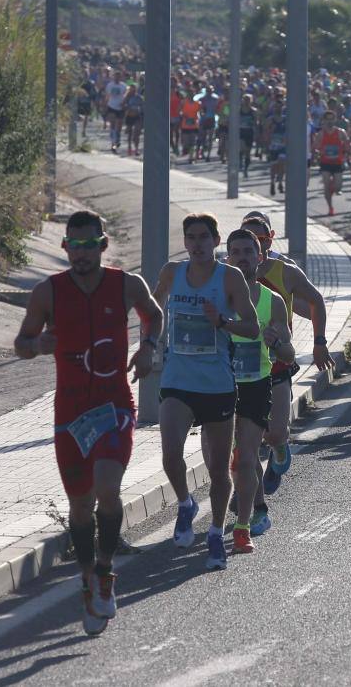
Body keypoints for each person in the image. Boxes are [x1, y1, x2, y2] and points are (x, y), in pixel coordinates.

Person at [14, 210, 163, 635]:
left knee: (107, 488)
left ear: (102, 245)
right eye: (73, 246)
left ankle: (105, 569)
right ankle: (87, 580)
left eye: (88, 245)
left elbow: (153, 315)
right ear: (65, 247)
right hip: (70, 412)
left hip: (114, 406)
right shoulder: (48, 292)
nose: (80, 253)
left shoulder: (126, 284)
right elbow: (20, 343)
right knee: (80, 506)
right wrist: (37, 345)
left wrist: (148, 347)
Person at [152, 213, 259, 570]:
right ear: (185, 242)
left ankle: (215, 531)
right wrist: (149, 344)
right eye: (191, 237)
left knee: (217, 470)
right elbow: (152, 311)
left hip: (216, 384)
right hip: (177, 380)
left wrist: (222, 322)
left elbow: (252, 327)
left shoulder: (229, 277)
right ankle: (185, 503)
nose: (197, 244)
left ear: (215, 241)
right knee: (170, 455)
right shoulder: (172, 272)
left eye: (203, 237)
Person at [240, 214, 334, 508]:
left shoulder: (286, 272)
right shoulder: (227, 273)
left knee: (275, 432)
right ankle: (245, 496)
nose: (255, 246)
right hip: (241, 367)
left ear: (269, 240)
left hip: (277, 361)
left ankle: (279, 446)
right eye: (248, 239)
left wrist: (320, 342)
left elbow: (316, 301)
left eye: (261, 239)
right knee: (243, 439)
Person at [225, 229, 294, 549]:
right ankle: (247, 500)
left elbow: (288, 354)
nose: (242, 258)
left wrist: (277, 343)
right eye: (236, 252)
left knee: (247, 452)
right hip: (221, 385)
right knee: (229, 456)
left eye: (248, 252)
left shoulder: (273, 301)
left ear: (260, 257)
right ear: (228, 259)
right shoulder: (218, 297)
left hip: (256, 384)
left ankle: (258, 511)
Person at [313, 109, 350, 216]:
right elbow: (315, 147)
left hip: (338, 162)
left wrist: (346, 156)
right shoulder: (321, 134)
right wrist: (317, 154)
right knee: (326, 184)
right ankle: (330, 207)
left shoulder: (341, 132)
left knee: (338, 187)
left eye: (331, 119)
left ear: (335, 120)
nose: (329, 121)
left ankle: (332, 188)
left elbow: (348, 145)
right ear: (324, 121)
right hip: (325, 162)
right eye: (327, 119)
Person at [105, 70, 127, 154]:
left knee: (119, 128)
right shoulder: (110, 85)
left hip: (120, 108)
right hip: (112, 106)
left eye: (118, 76)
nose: (117, 78)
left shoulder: (123, 86)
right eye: (115, 76)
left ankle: (117, 139)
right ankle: (113, 144)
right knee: (113, 125)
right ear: (113, 77)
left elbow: (125, 96)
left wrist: (124, 103)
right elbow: (107, 95)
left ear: (120, 77)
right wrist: (105, 105)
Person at [123, 84, 143, 157]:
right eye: (131, 89)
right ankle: (129, 147)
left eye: (134, 89)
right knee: (129, 133)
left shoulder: (139, 97)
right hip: (129, 116)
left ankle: (136, 149)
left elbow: (142, 106)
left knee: (136, 133)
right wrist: (127, 108)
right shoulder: (127, 97)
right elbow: (123, 105)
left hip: (137, 116)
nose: (132, 91)